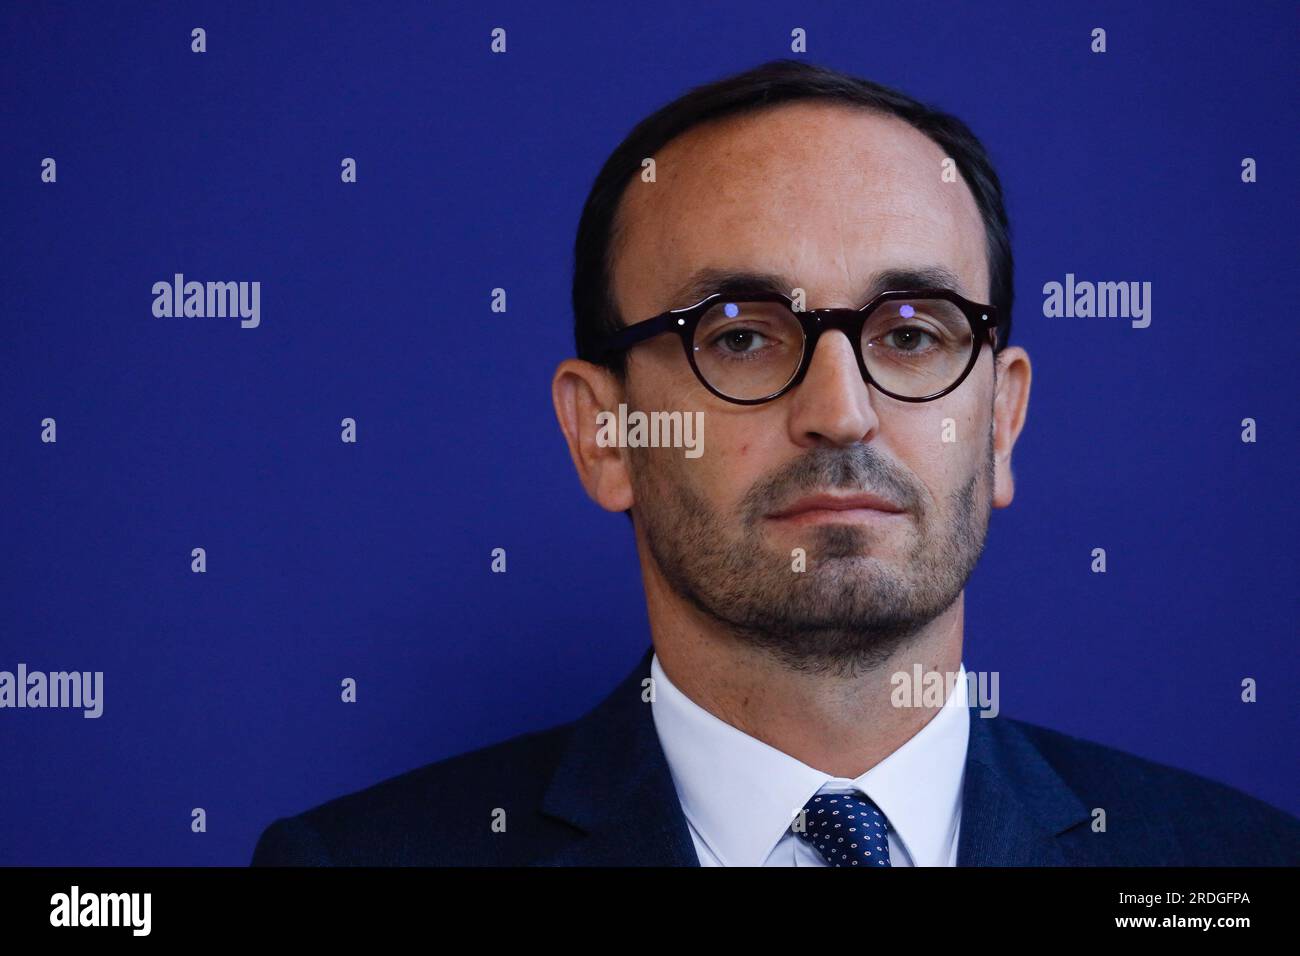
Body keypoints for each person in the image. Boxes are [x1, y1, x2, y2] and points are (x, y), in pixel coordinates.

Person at [251, 59, 1300, 866]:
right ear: (601, 431)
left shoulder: (1233, 861)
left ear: (1001, 419)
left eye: (911, 332)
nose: (839, 413)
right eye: (742, 335)